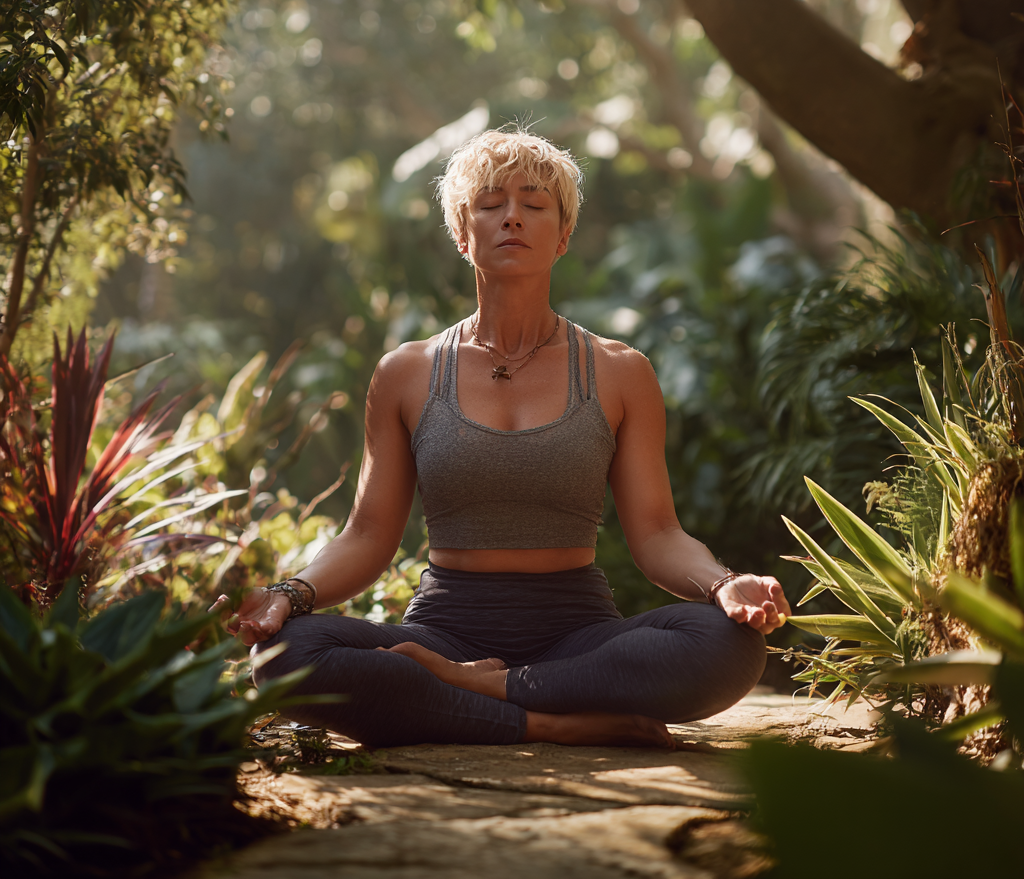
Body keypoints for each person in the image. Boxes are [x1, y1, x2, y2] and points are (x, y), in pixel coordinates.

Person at [213, 128, 790, 749]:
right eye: (490, 204)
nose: (512, 217)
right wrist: (287, 595)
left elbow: (656, 534)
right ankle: (542, 719)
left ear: (562, 235)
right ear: (464, 234)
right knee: (284, 655)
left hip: (578, 633)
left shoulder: (620, 370)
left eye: (535, 204)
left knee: (727, 644)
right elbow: (366, 536)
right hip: (445, 630)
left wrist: (722, 583)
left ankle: (491, 691)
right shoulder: (406, 373)